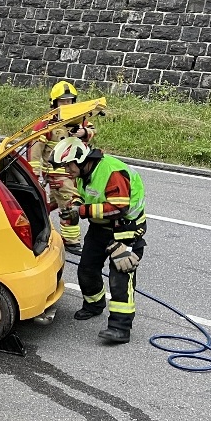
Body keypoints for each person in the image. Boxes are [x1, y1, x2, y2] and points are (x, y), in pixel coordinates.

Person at [51, 137, 147, 344]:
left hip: (126, 230)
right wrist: (74, 207)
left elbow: (118, 208)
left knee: (121, 275)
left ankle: (120, 328)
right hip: (100, 228)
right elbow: (83, 196)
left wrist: (81, 211)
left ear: (80, 159)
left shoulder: (112, 172)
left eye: (68, 165)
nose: (66, 171)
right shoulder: (83, 173)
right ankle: (94, 305)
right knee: (87, 268)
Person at [28, 81, 97, 254]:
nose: (66, 104)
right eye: (62, 101)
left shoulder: (80, 120)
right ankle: (71, 241)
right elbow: (34, 150)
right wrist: (34, 174)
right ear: (54, 103)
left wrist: (84, 132)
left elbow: (92, 131)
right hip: (57, 173)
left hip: (75, 173)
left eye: (69, 101)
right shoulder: (46, 124)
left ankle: (33, 223)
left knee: (45, 204)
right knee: (69, 205)